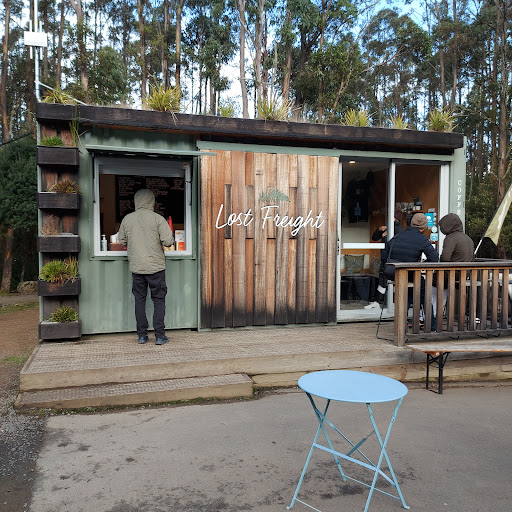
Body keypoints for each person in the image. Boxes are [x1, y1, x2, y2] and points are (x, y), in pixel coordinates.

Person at [118, 189, 175, 345]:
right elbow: (168, 241)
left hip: (137, 268)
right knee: (158, 300)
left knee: (139, 300)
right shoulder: (158, 219)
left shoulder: (127, 219)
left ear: (136, 201)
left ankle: (142, 335)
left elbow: (121, 240)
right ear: (152, 202)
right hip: (156, 267)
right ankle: (159, 336)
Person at [381, 212, 439, 328]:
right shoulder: (422, 239)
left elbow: (384, 256)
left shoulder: (397, 237)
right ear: (423, 227)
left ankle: (401, 324)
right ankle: (431, 325)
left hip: (395, 274)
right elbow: (434, 258)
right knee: (424, 295)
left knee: (407, 293)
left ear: (411, 223)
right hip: (412, 274)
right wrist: (420, 266)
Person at [432, 213, 475, 316]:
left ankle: (432, 315)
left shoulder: (451, 238)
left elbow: (445, 258)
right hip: (464, 274)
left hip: (451, 274)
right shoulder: (468, 238)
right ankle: (442, 313)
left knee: (432, 287)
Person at [365, 210, 405, 310]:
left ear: (395, 218)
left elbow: (394, 244)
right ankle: (379, 302)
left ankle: (389, 302)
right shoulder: (388, 227)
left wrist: (385, 237)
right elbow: (374, 238)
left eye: (391, 216)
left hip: (392, 259)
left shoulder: (399, 229)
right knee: (382, 280)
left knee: (389, 281)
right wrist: (379, 229)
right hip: (385, 258)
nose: (388, 218)